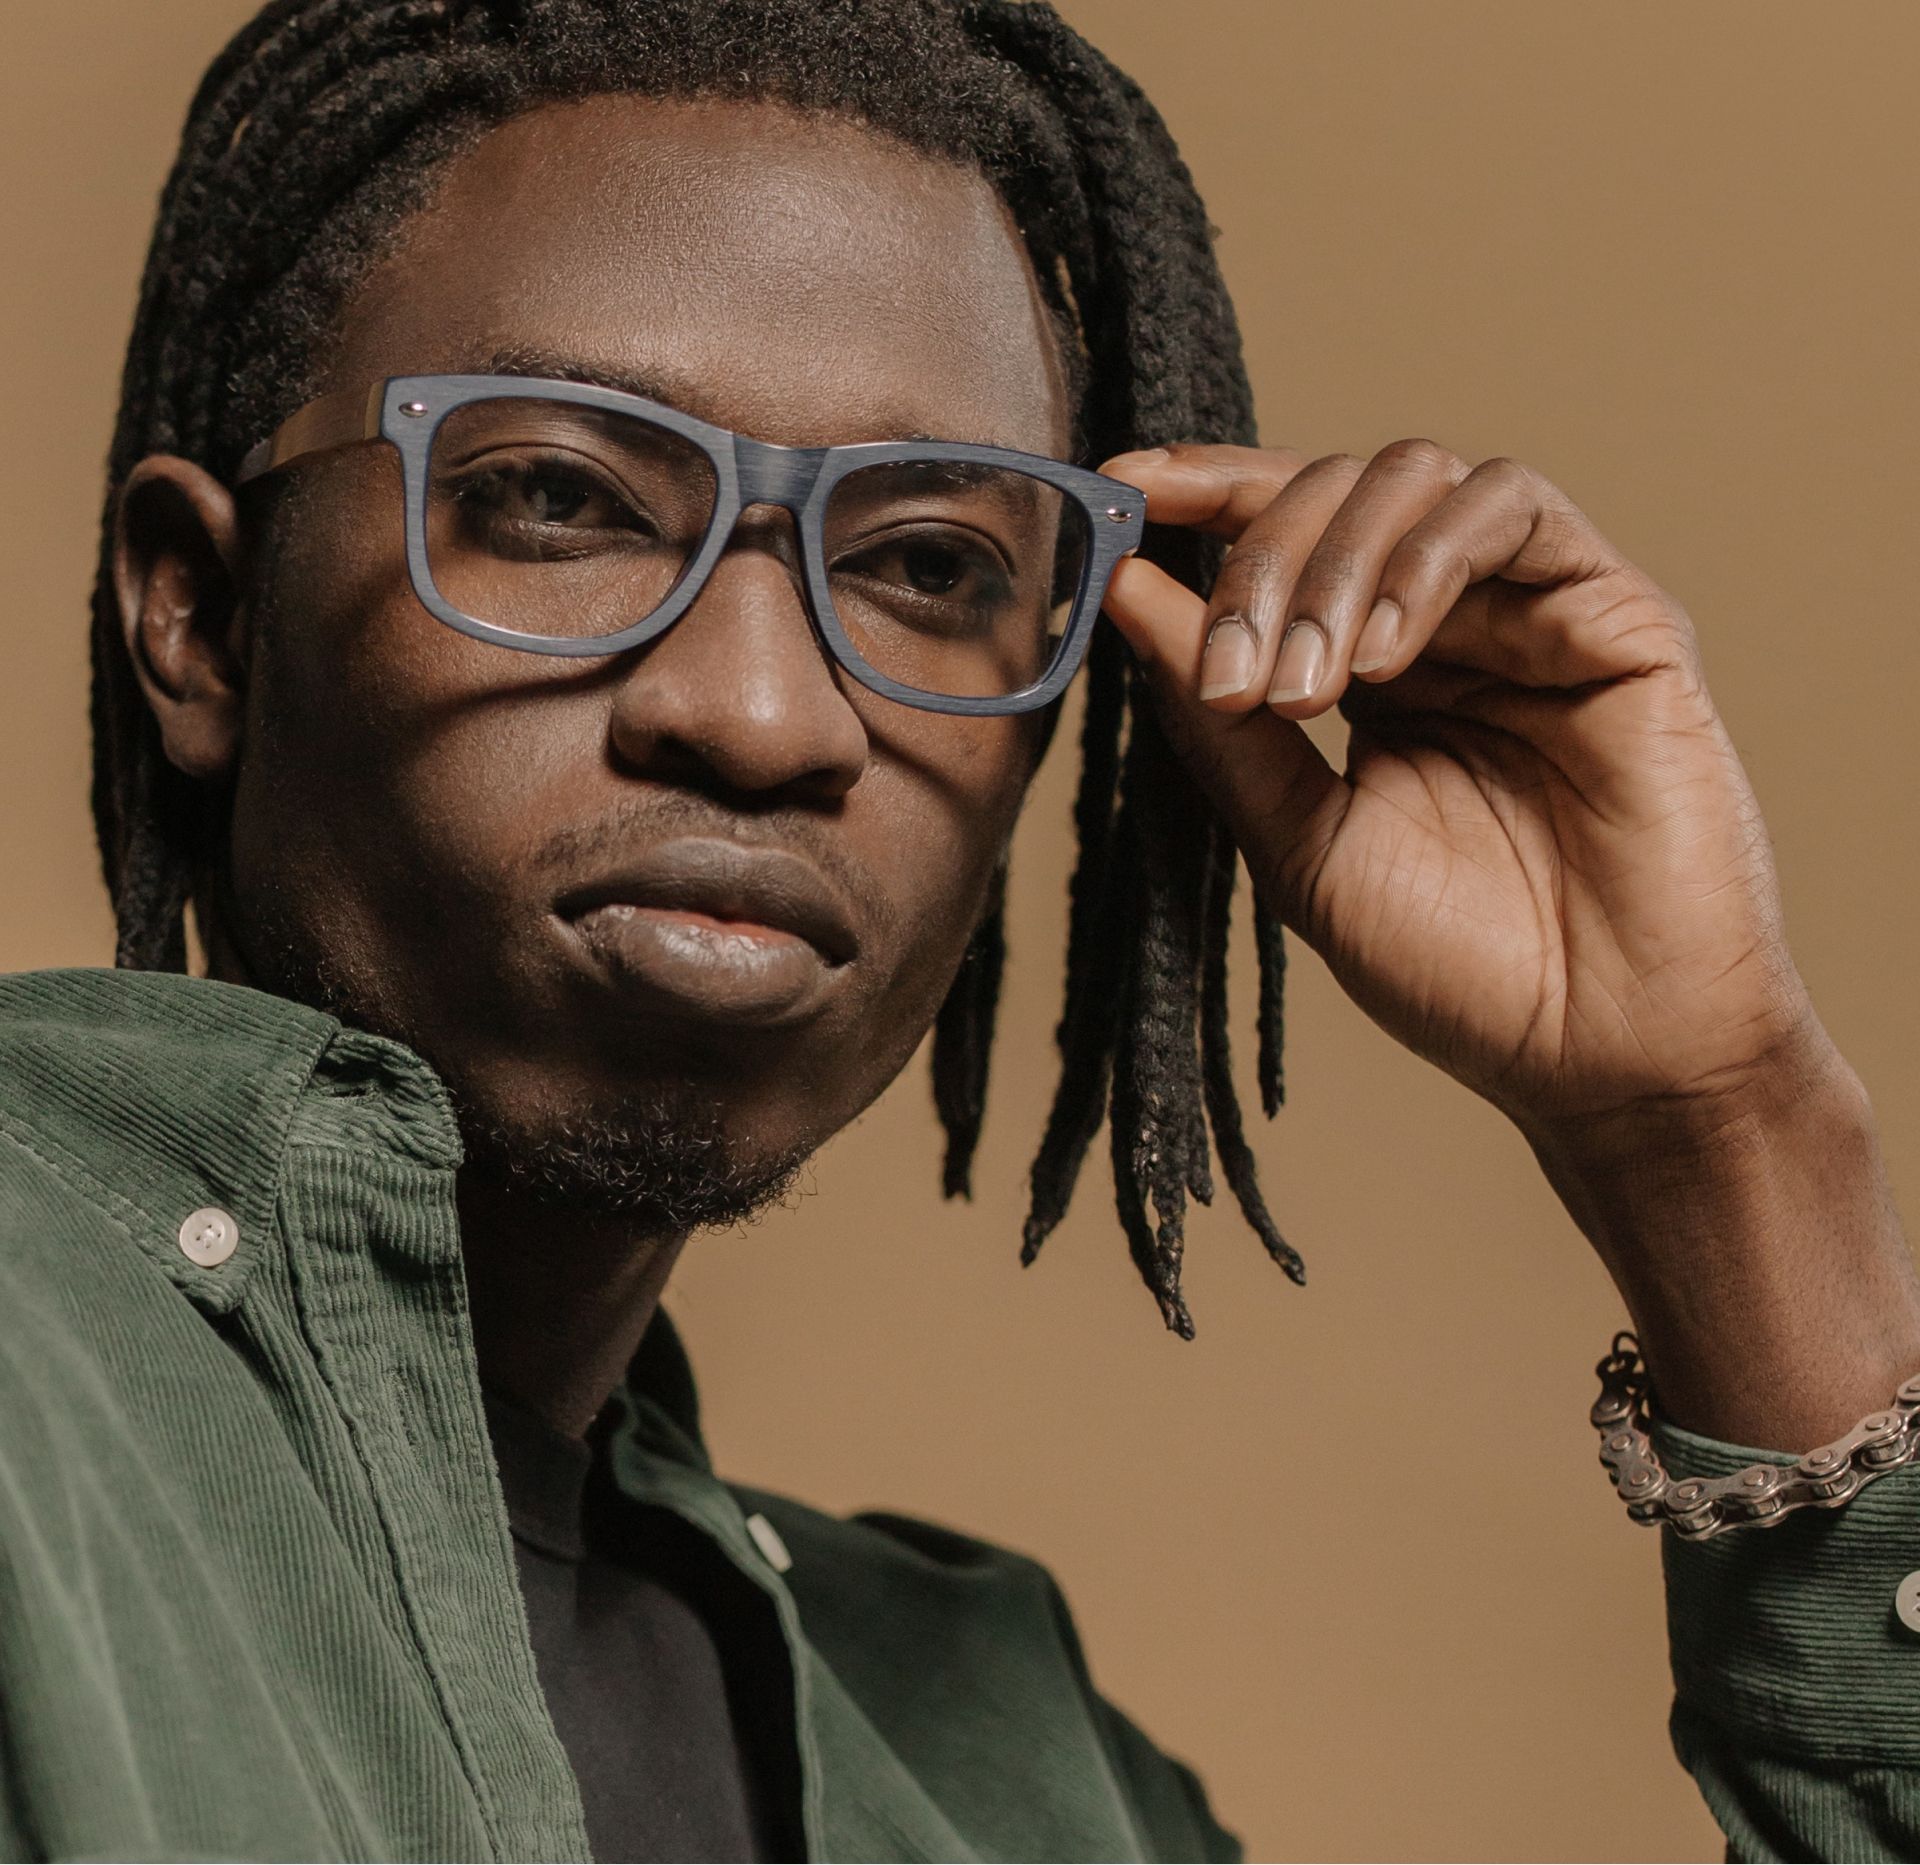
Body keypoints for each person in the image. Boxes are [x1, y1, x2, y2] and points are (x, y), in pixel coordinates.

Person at [2, 0, 1915, 1859]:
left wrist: (1720, 1136)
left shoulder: (1023, 1781)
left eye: (930, 565)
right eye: (562, 497)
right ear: (201, 616)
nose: (762, 715)